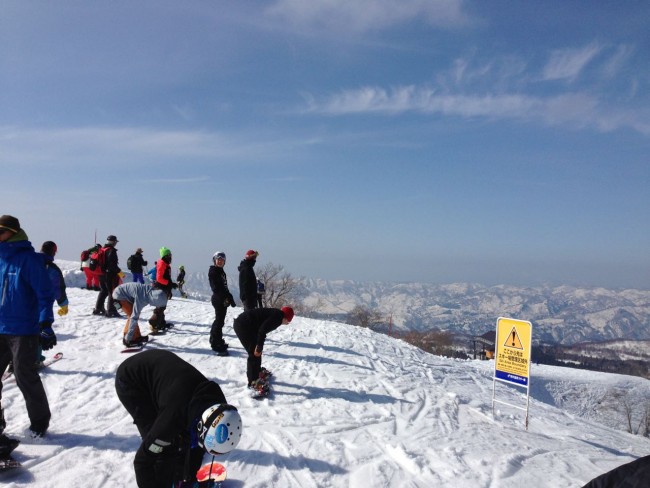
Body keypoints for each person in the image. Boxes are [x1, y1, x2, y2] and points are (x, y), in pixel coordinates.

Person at [115, 350, 242, 488]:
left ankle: (180, 478)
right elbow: (142, 462)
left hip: (166, 377)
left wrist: (189, 476)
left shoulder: (219, 408)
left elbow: (196, 442)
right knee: (164, 448)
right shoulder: (171, 419)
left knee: (182, 438)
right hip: (132, 381)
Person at [0, 215, 54, 439]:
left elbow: (44, 294)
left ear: (13, 232)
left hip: (23, 330)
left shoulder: (29, 260)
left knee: (24, 376)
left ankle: (39, 422)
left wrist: (46, 324)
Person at [233, 306, 294, 389]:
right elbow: (262, 330)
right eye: (288, 321)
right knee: (254, 353)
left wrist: (259, 345)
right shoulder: (277, 318)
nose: (287, 323)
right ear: (286, 318)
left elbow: (261, 328)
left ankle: (257, 372)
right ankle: (253, 383)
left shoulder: (277, 314)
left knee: (257, 353)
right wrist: (259, 346)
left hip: (247, 325)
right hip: (243, 326)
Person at [37, 241, 69, 363]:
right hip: (42, 307)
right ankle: (35, 359)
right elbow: (58, 289)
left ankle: (14, 361)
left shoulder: (31, 262)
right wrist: (63, 304)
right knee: (38, 332)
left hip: (22, 303)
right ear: (53, 252)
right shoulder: (52, 268)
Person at [112, 282, 168, 347]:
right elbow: (134, 317)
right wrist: (129, 337)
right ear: (155, 301)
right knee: (132, 316)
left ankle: (136, 336)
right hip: (119, 295)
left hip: (122, 293)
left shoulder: (150, 292)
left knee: (133, 315)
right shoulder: (142, 298)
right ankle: (128, 339)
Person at [208, 252, 236, 356]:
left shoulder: (221, 271)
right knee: (219, 321)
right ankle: (215, 343)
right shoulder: (213, 271)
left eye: (222, 260)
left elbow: (224, 286)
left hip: (222, 299)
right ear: (214, 260)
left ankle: (216, 339)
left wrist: (229, 297)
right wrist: (225, 297)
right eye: (218, 259)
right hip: (218, 299)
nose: (220, 261)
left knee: (220, 321)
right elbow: (215, 288)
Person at [92, 235, 123, 318]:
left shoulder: (102, 249)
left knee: (103, 291)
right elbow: (112, 265)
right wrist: (119, 272)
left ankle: (98, 308)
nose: (116, 243)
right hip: (109, 275)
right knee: (112, 292)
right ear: (113, 242)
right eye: (116, 242)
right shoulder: (111, 251)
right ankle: (111, 310)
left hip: (101, 274)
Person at [148, 247, 176, 332]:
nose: (170, 256)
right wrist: (169, 284)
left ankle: (161, 323)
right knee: (160, 307)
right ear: (165, 255)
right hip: (160, 288)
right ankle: (154, 324)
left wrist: (170, 285)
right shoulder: (162, 264)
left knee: (162, 306)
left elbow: (166, 277)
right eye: (169, 255)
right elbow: (159, 278)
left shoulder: (165, 263)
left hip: (164, 287)